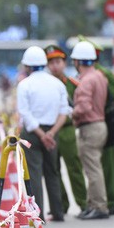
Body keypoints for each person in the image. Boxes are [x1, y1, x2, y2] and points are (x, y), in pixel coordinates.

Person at [16, 46, 69, 221]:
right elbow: (64, 112)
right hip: (53, 132)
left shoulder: (24, 85)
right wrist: (51, 134)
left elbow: (25, 114)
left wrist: (41, 135)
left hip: (32, 134)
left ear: (27, 66)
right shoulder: (58, 84)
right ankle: (58, 211)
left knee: (34, 173)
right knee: (53, 171)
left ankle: (37, 216)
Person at [44, 45, 87, 214]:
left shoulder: (74, 84)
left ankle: (84, 203)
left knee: (74, 168)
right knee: (53, 170)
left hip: (68, 130)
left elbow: (81, 105)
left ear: (64, 63)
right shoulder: (44, 84)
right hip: (50, 131)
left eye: (58, 62)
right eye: (51, 62)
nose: (55, 66)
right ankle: (60, 205)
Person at [71, 41, 109, 220]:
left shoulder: (86, 81)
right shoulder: (100, 76)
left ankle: (100, 207)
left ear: (78, 62)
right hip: (99, 124)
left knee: (92, 170)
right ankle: (93, 205)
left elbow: (84, 107)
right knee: (94, 168)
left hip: (90, 127)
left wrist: (72, 113)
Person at [91, 41, 114, 216]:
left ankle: (110, 203)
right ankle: (96, 203)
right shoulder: (89, 73)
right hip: (93, 121)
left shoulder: (103, 73)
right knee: (94, 165)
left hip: (105, 118)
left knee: (107, 164)